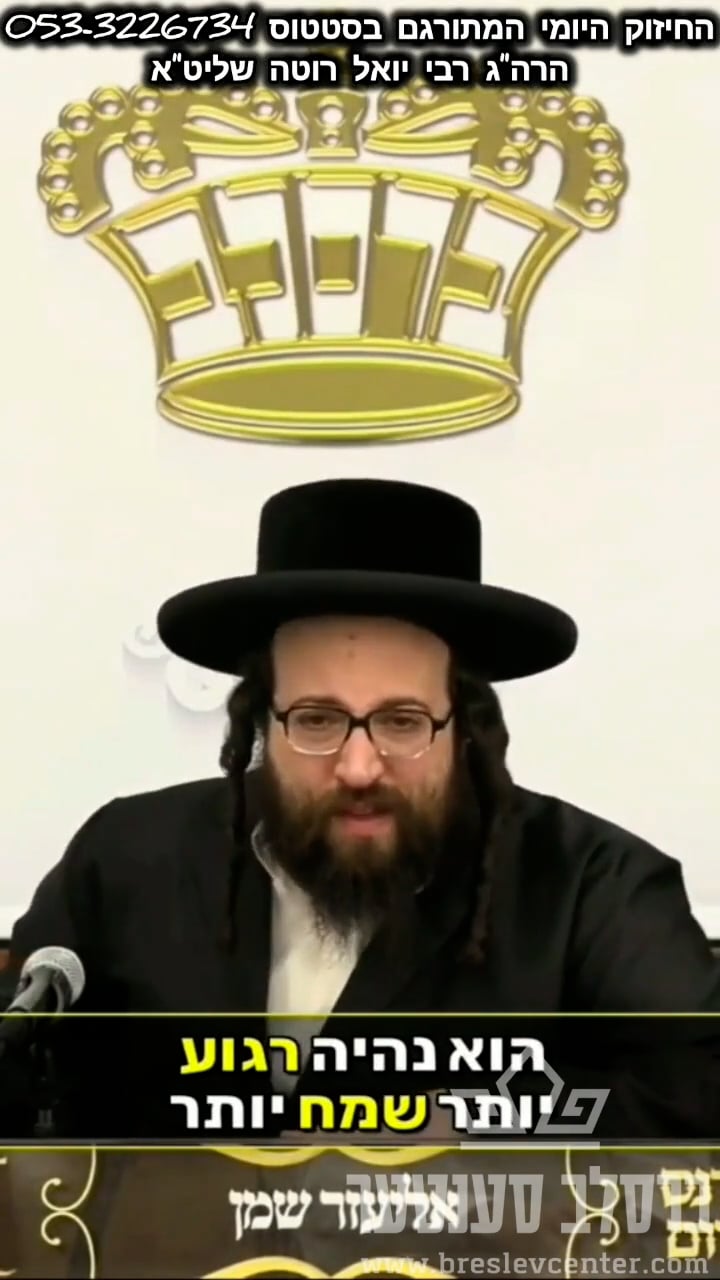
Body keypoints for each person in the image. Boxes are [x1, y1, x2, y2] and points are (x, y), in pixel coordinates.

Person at [6, 478, 720, 1139]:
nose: (358, 767)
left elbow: (695, 1086)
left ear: (464, 726)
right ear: (261, 719)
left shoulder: (593, 884)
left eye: (402, 722)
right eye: (316, 720)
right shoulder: (127, 858)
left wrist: (468, 1125)